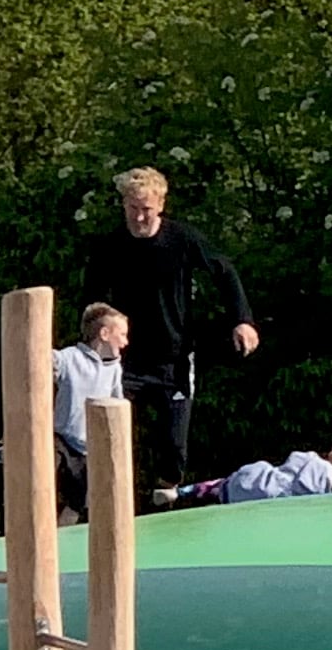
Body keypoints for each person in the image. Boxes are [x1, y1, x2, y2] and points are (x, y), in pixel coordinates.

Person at [76, 167, 258, 488]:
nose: (139, 217)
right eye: (132, 208)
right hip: (124, 359)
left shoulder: (182, 239)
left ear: (160, 205)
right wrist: (93, 342)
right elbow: (92, 300)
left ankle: (167, 495)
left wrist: (242, 320)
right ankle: (102, 498)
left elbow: (224, 272)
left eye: (146, 209)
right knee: (108, 431)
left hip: (172, 357)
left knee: (173, 445)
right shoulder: (110, 246)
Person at [52, 302, 129, 519]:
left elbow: (117, 403)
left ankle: (61, 542)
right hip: (62, 439)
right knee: (47, 473)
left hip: (87, 448)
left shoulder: (114, 368)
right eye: (122, 335)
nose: (125, 342)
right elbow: (44, 359)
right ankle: (5, 447)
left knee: (78, 501)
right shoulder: (70, 358)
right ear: (104, 334)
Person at [167, 441, 332, 507]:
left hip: (252, 484)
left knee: (218, 486)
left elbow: (290, 463)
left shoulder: (310, 459)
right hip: (262, 502)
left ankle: (183, 492)